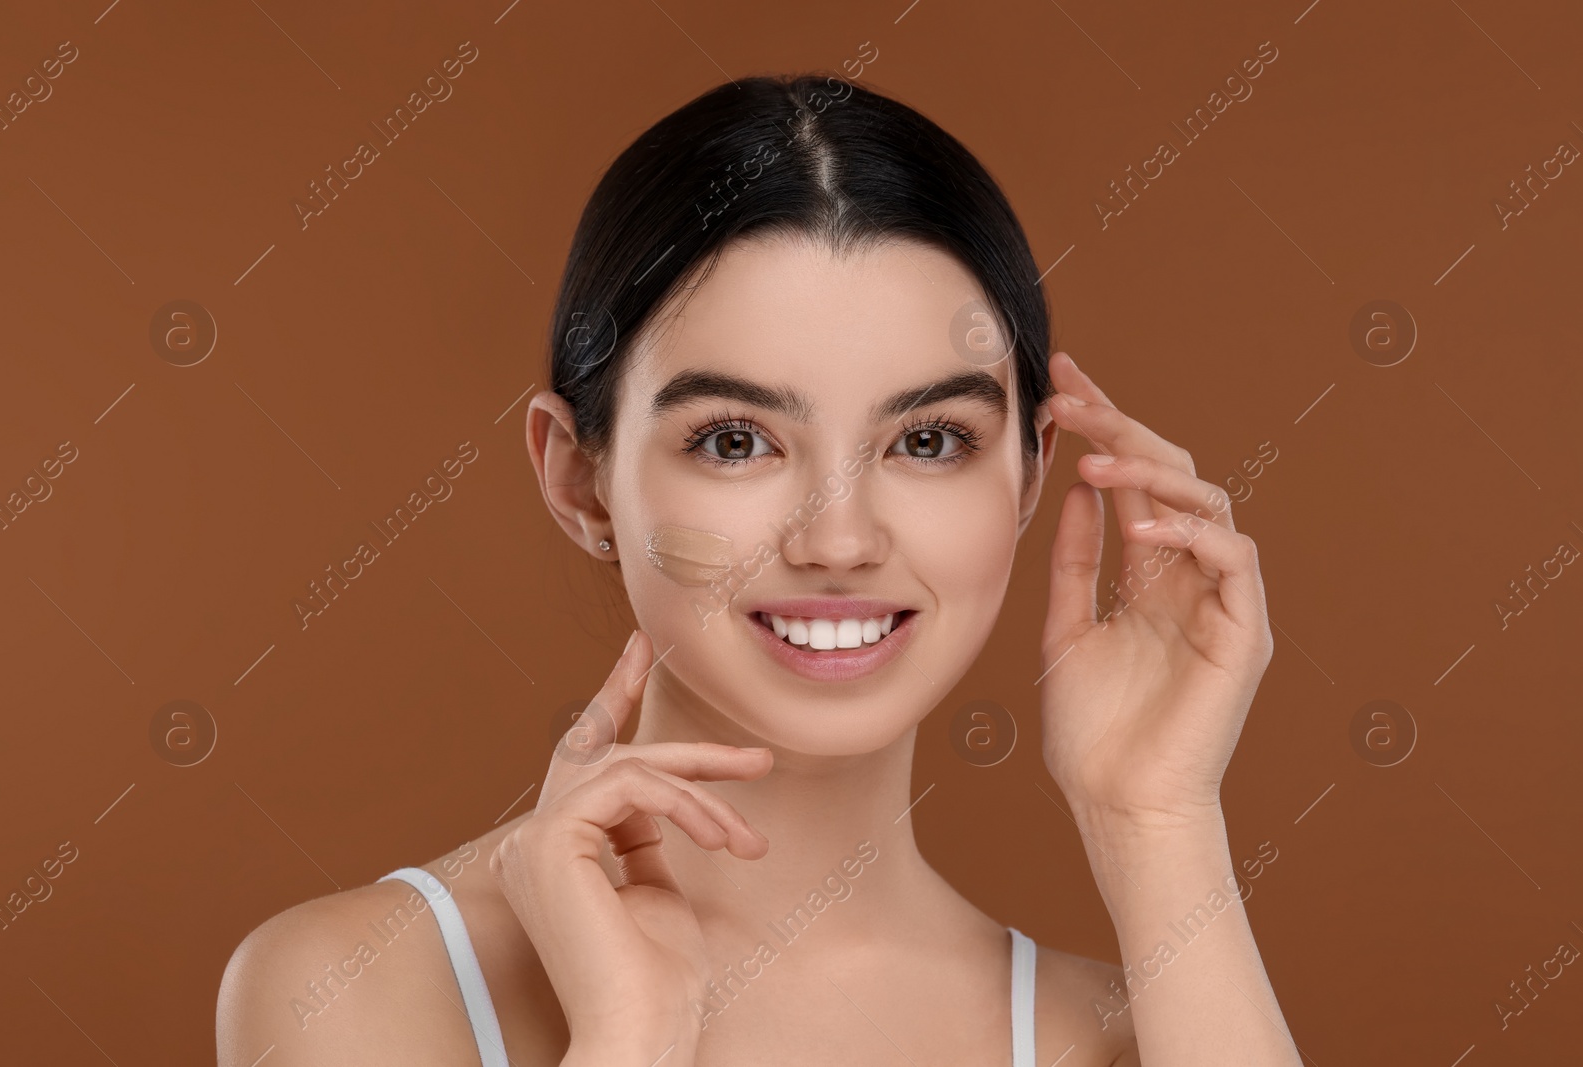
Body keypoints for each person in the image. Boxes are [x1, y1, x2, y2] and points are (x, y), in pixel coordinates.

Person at [217, 72, 1294, 1066]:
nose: (838, 540)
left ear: (1025, 478)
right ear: (578, 478)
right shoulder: (353, 990)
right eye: (736, 440)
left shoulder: (1117, 1034)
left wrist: (1153, 818)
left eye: (927, 440)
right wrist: (631, 1036)